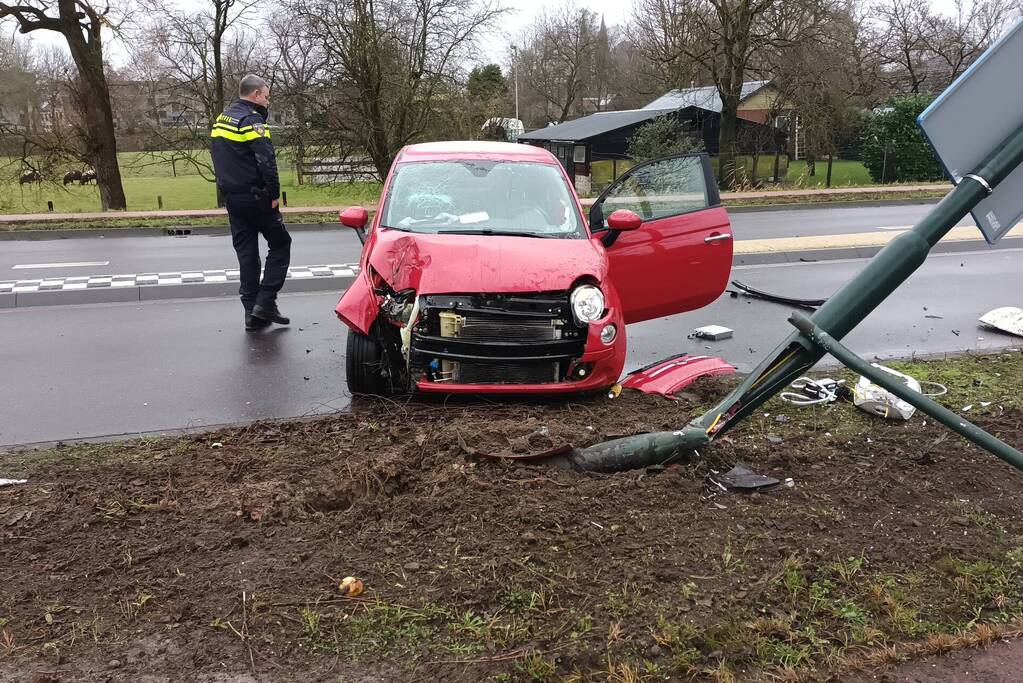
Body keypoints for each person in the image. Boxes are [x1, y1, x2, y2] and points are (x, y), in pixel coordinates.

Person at [210, 74, 291, 330]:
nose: (267, 101)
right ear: (256, 94)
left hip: (233, 199)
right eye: (266, 96)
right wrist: (274, 194)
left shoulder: (222, 119)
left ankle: (252, 314)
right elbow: (266, 159)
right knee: (280, 245)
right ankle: (265, 303)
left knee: (247, 256)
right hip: (257, 197)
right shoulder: (251, 120)